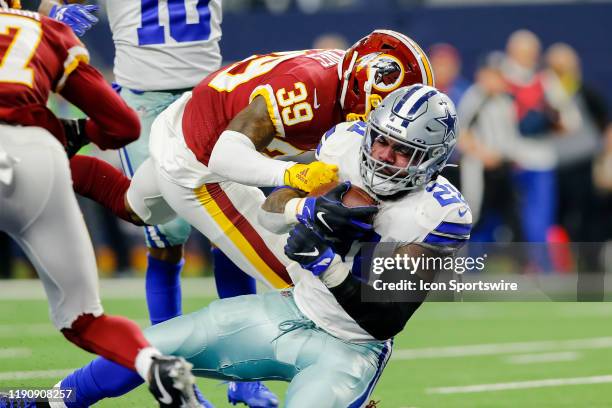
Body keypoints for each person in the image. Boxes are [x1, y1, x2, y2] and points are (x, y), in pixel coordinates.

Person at [57, 30, 435, 407]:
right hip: (203, 165)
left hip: (189, 123)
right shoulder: (309, 91)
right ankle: (264, 383)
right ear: (362, 86)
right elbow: (226, 156)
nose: (377, 131)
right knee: (305, 281)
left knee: (131, 205)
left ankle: (48, 163)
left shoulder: (338, 73)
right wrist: (290, 177)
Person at [0, 2, 203, 407]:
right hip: (40, 157)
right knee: (85, 321)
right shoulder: (46, 32)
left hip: (323, 337)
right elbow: (122, 126)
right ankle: (153, 364)